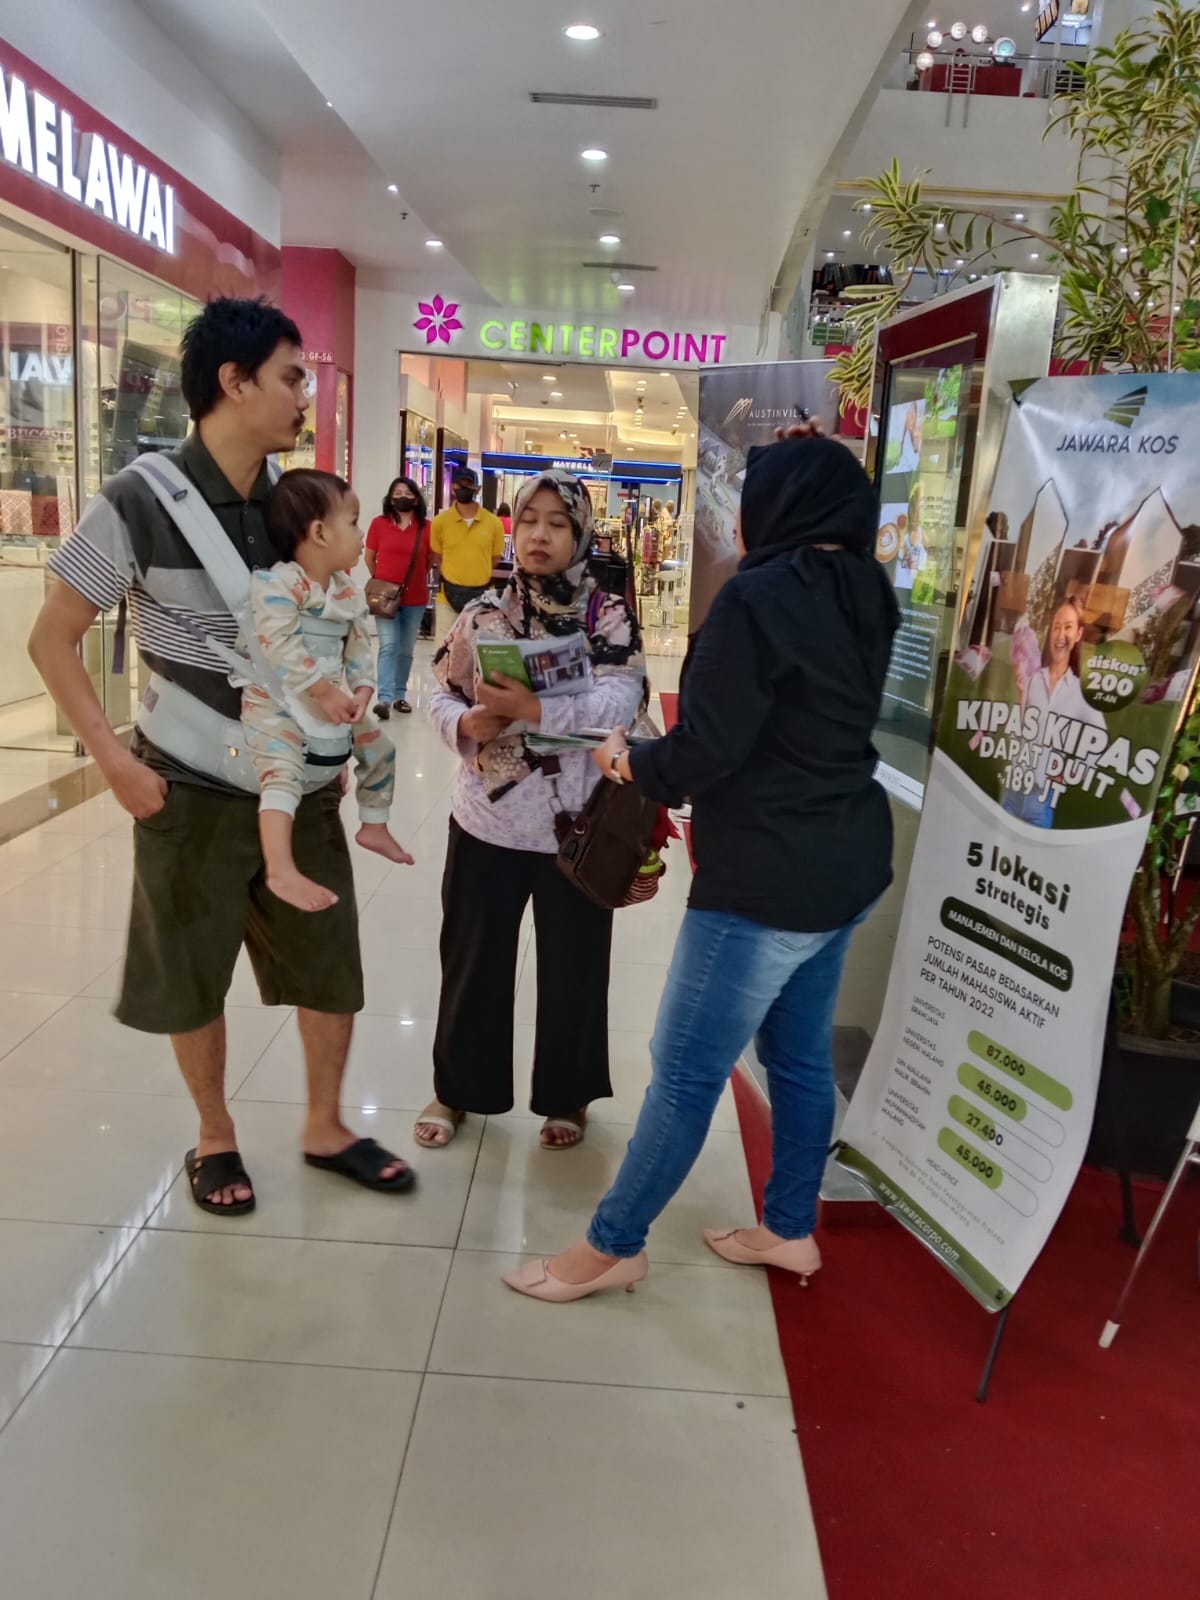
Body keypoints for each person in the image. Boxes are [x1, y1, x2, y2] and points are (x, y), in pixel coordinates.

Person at [27, 297, 413, 1216]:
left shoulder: (300, 506)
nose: (304, 395)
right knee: (191, 969)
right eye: (289, 377)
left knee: (329, 964)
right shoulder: (137, 501)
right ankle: (215, 1135)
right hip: (188, 788)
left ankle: (326, 1124)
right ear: (233, 384)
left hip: (302, 787)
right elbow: (52, 640)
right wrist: (114, 764)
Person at [501, 435, 900, 1302]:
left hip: (764, 879)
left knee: (685, 1068)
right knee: (796, 1058)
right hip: (848, 864)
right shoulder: (871, 591)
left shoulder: (755, 599)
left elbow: (705, 752)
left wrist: (627, 763)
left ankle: (612, 1245)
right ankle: (790, 1230)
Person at [416, 469, 645, 1152]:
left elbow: (618, 706)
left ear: (580, 534)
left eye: (557, 523)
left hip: (576, 825)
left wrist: (533, 710)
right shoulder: (483, 611)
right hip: (487, 820)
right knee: (471, 960)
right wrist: (465, 726)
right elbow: (438, 690)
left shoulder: (608, 616)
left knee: (574, 964)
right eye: (529, 521)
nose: (540, 535)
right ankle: (458, 1089)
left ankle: (567, 1096)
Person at [243, 468, 414, 914]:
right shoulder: (277, 585)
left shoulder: (346, 591)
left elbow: (358, 643)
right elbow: (278, 644)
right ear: (320, 532)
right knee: (281, 772)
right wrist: (321, 691)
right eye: (354, 522)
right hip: (278, 703)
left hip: (332, 700)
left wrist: (360, 689)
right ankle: (280, 866)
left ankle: (373, 823)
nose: (362, 535)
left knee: (381, 748)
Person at [1002, 596, 1105, 828]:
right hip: (1012, 788)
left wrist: (1070, 773)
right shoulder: (1033, 679)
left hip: (1042, 799)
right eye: (1056, 627)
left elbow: (1101, 741)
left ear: (1078, 634)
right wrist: (1021, 696)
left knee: (1031, 859)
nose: (1060, 634)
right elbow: (1021, 729)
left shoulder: (1080, 693)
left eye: (1067, 627)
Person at [365, 476, 431, 717]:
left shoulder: (426, 527)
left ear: (416, 498)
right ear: (390, 497)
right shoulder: (379, 524)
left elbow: (430, 559)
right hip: (384, 597)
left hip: (415, 597)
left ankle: (400, 694)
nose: (402, 496)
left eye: (407, 492)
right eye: (397, 492)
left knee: (405, 649)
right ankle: (384, 698)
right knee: (388, 646)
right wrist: (381, 580)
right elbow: (370, 556)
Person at [430, 466, 506, 623]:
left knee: (475, 646)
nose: (464, 488)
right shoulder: (440, 522)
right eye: (460, 484)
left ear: (477, 489)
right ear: (452, 488)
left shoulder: (494, 523)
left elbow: (495, 557)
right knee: (445, 646)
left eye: (469, 484)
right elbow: (437, 555)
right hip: (447, 597)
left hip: (481, 597)